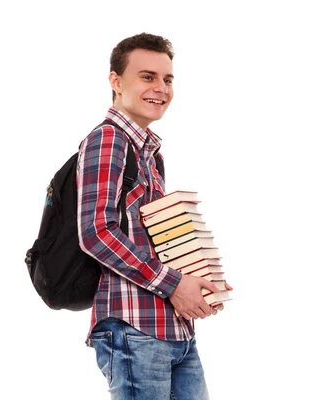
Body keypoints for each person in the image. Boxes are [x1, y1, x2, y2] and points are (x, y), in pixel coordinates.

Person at [76, 32, 230, 400]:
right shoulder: (109, 139)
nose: (160, 88)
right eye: (147, 77)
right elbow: (96, 231)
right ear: (116, 81)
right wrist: (175, 285)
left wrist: (199, 281)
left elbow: (156, 239)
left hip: (174, 329)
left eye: (168, 79)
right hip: (134, 328)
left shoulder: (150, 153)